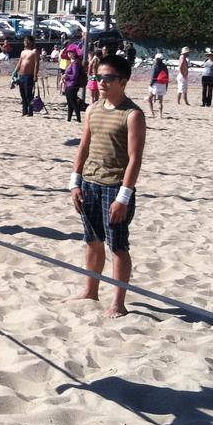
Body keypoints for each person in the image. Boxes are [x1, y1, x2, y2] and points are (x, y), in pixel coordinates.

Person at [68, 54, 146, 318]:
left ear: (123, 81)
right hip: (89, 183)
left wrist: (123, 197)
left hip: (115, 187)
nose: (101, 82)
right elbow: (84, 146)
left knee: (118, 246)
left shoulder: (133, 114)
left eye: (108, 78)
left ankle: (118, 301)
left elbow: (135, 159)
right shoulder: (92, 109)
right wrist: (74, 182)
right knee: (92, 241)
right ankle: (91, 289)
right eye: (98, 77)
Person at [16, 35, 40, 116]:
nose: (25, 42)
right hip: (21, 75)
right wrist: (15, 72)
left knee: (28, 95)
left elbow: (37, 63)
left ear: (31, 42)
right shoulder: (22, 52)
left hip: (29, 75)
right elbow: (19, 63)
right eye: (24, 40)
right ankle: (24, 111)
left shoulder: (34, 51)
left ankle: (30, 112)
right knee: (22, 94)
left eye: (27, 40)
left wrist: (35, 75)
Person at [61, 46, 84, 123]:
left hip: (73, 85)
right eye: (68, 52)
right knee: (69, 102)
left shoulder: (75, 63)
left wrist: (66, 76)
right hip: (69, 84)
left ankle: (78, 118)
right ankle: (69, 118)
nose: (69, 53)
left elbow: (75, 75)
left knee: (73, 102)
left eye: (70, 52)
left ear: (74, 53)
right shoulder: (72, 62)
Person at [148, 53, 169, 119]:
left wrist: (150, 84)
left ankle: (152, 113)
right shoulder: (165, 66)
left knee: (149, 99)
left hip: (156, 84)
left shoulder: (156, 66)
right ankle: (160, 115)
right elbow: (167, 77)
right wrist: (166, 86)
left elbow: (153, 76)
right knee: (160, 101)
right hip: (163, 84)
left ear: (156, 59)